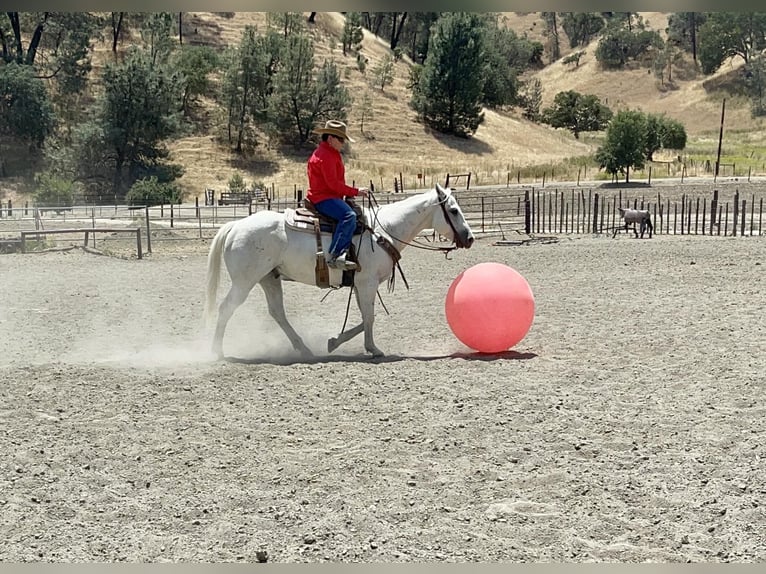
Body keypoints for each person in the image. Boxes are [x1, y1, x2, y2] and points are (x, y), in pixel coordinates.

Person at [306, 120, 368, 271]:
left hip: (328, 196)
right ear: (331, 138)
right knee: (349, 216)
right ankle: (336, 255)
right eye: (341, 139)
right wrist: (355, 191)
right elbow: (332, 184)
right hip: (324, 198)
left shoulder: (330, 153)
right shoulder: (326, 156)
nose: (343, 143)